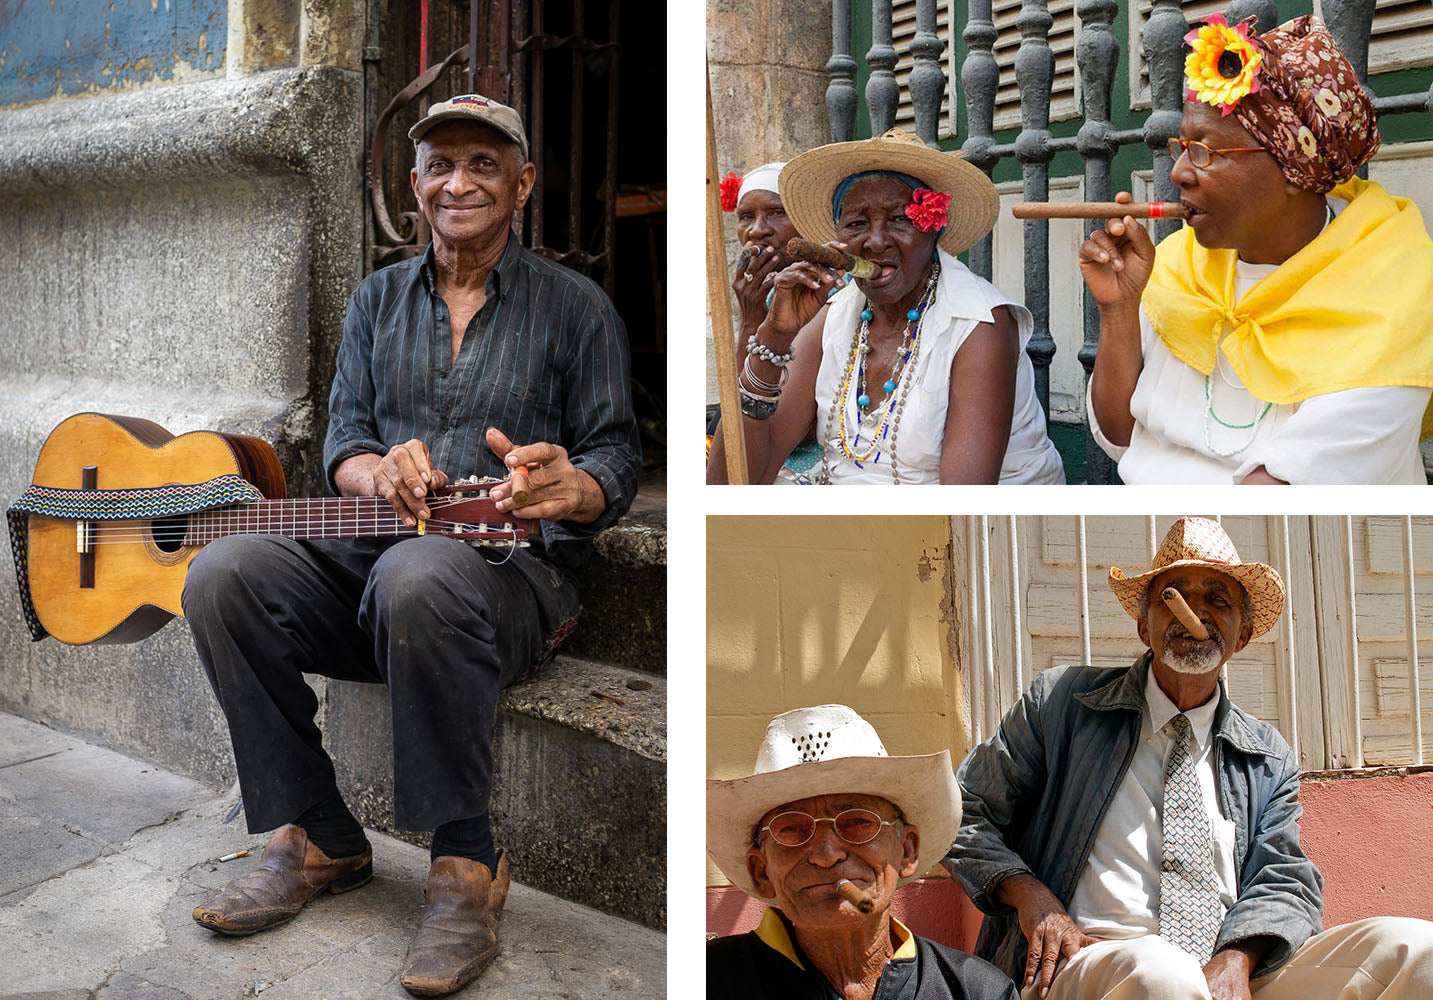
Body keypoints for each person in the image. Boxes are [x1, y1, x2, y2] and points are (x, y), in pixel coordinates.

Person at [180, 93, 640, 997]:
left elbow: (616, 454)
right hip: (378, 572)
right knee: (223, 571)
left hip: (512, 581)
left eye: (483, 164)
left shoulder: (575, 307)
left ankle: (466, 865)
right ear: (416, 184)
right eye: (439, 164)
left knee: (419, 571)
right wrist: (374, 471)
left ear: (522, 183)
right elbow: (344, 442)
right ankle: (317, 833)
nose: (458, 182)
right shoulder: (378, 299)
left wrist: (570, 486)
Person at [949, 517, 1433, 1000]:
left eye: (1217, 600)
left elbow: (1285, 877)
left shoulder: (1266, 755)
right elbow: (962, 810)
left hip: (1227, 974)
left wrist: (1236, 959)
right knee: (1164, 973)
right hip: (1091, 964)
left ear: (1241, 636)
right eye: (1172, 597)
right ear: (1144, 628)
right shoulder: (1062, 704)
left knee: (1416, 950)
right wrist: (1032, 897)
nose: (1192, 612)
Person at [1082, 14, 1433, 483]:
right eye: (1182, 146)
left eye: (1206, 151)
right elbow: (1121, 431)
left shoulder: (1394, 290)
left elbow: (1269, 505)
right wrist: (1119, 311)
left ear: (1294, 167)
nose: (1179, 173)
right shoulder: (1175, 266)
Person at [707, 129, 1064, 485]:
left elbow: (962, 510)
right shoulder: (837, 314)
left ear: (932, 230)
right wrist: (774, 336)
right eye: (857, 224)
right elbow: (732, 483)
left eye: (899, 220)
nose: (875, 242)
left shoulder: (978, 322)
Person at [707, 704, 1019, 1000]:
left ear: (907, 851)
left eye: (857, 822)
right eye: (792, 829)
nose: (827, 855)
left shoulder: (977, 991)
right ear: (761, 871)